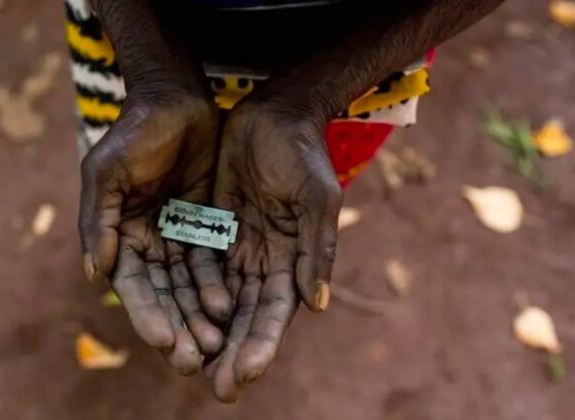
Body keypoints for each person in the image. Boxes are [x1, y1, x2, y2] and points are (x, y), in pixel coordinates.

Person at [66, 0, 504, 403]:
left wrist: (313, 97)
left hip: (358, 71)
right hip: (132, 43)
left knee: (306, 186)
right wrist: (153, 71)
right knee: (133, 164)